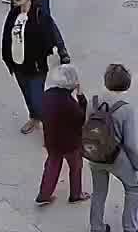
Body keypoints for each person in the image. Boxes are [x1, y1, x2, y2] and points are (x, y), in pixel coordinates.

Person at [86, 62, 138, 232]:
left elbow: (86, 126)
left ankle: (96, 227)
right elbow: (130, 144)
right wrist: (137, 165)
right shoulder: (125, 109)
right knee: (132, 188)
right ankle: (129, 228)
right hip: (116, 158)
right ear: (127, 83)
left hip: (95, 154)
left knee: (98, 192)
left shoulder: (93, 101)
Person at [1, 0, 63, 134]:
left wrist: (38, 57)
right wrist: (7, 57)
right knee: (27, 95)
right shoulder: (14, 13)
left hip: (35, 67)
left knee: (37, 98)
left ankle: (49, 126)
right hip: (17, 64)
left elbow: (49, 39)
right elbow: (7, 34)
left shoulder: (39, 15)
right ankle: (34, 118)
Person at [37, 62, 89, 205]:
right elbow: (81, 119)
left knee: (52, 166)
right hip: (70, 144)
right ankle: (75, 194)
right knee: (76, 167)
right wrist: (81, 97)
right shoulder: (71, 105)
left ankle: (44, 195)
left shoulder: (47, 95)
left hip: (52, 140)